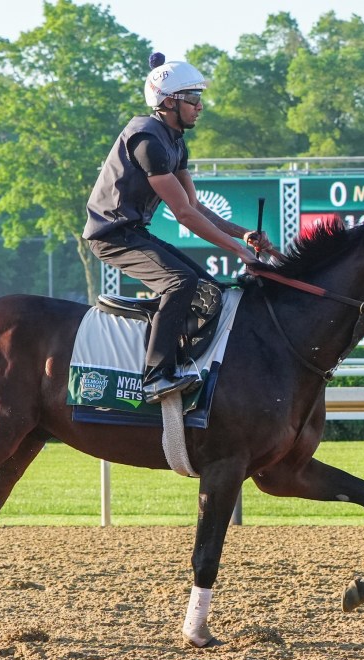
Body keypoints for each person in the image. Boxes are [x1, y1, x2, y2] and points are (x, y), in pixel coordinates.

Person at [83, 52, 272, 404]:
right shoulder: (147, 141)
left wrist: (242, 234)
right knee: (180, 281)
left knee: (209, 288)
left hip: (133, 232)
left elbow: (197, 207)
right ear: (169, 101)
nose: (200, 107)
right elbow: (183, 214)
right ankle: (155, 376)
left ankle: (184, 361)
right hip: (110, 236)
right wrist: (240, 252)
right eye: (194, 99)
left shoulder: (175, 142)